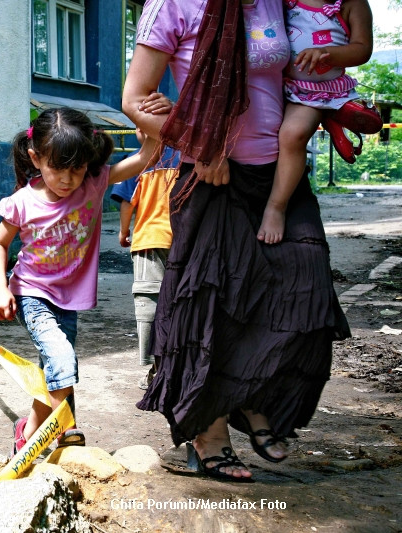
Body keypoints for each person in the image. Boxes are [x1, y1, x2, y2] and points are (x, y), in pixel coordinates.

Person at [123, 0, 350, 481]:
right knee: (214, 309)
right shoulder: (174, 6)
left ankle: (253, 400)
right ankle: (211, 436)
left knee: (305, 291)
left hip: (279, 176)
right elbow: (134, 99)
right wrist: (199, 145)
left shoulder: (276, 1)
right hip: (212, 175)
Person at [0, 107, 164, 456]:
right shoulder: (22, 202)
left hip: (69, 297)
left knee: (55, 367)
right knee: (61, 357)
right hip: (32, 293)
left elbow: (146, 158)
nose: (68, 180)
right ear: (36, 158)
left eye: (78, 168)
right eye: (58, 169)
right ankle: (65, 427)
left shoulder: (94, 184)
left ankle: (30, 429)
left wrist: (152, 131)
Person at [257, 0, 374, 244]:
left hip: (318, 92)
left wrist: (328, 54)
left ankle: (276, 206)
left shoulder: (353, 4)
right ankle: (335, 117)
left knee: (293, 134)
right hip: (278, 84)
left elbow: (363, 49)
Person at [117, 134, 178, 388]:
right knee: (178, 304)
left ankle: (155, 367)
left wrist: (123, 232)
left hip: (148, 241)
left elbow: (127, 202)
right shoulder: (185, 159)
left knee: (149, 304)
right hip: (184, 242)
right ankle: (176, 366)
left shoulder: (135, 161)